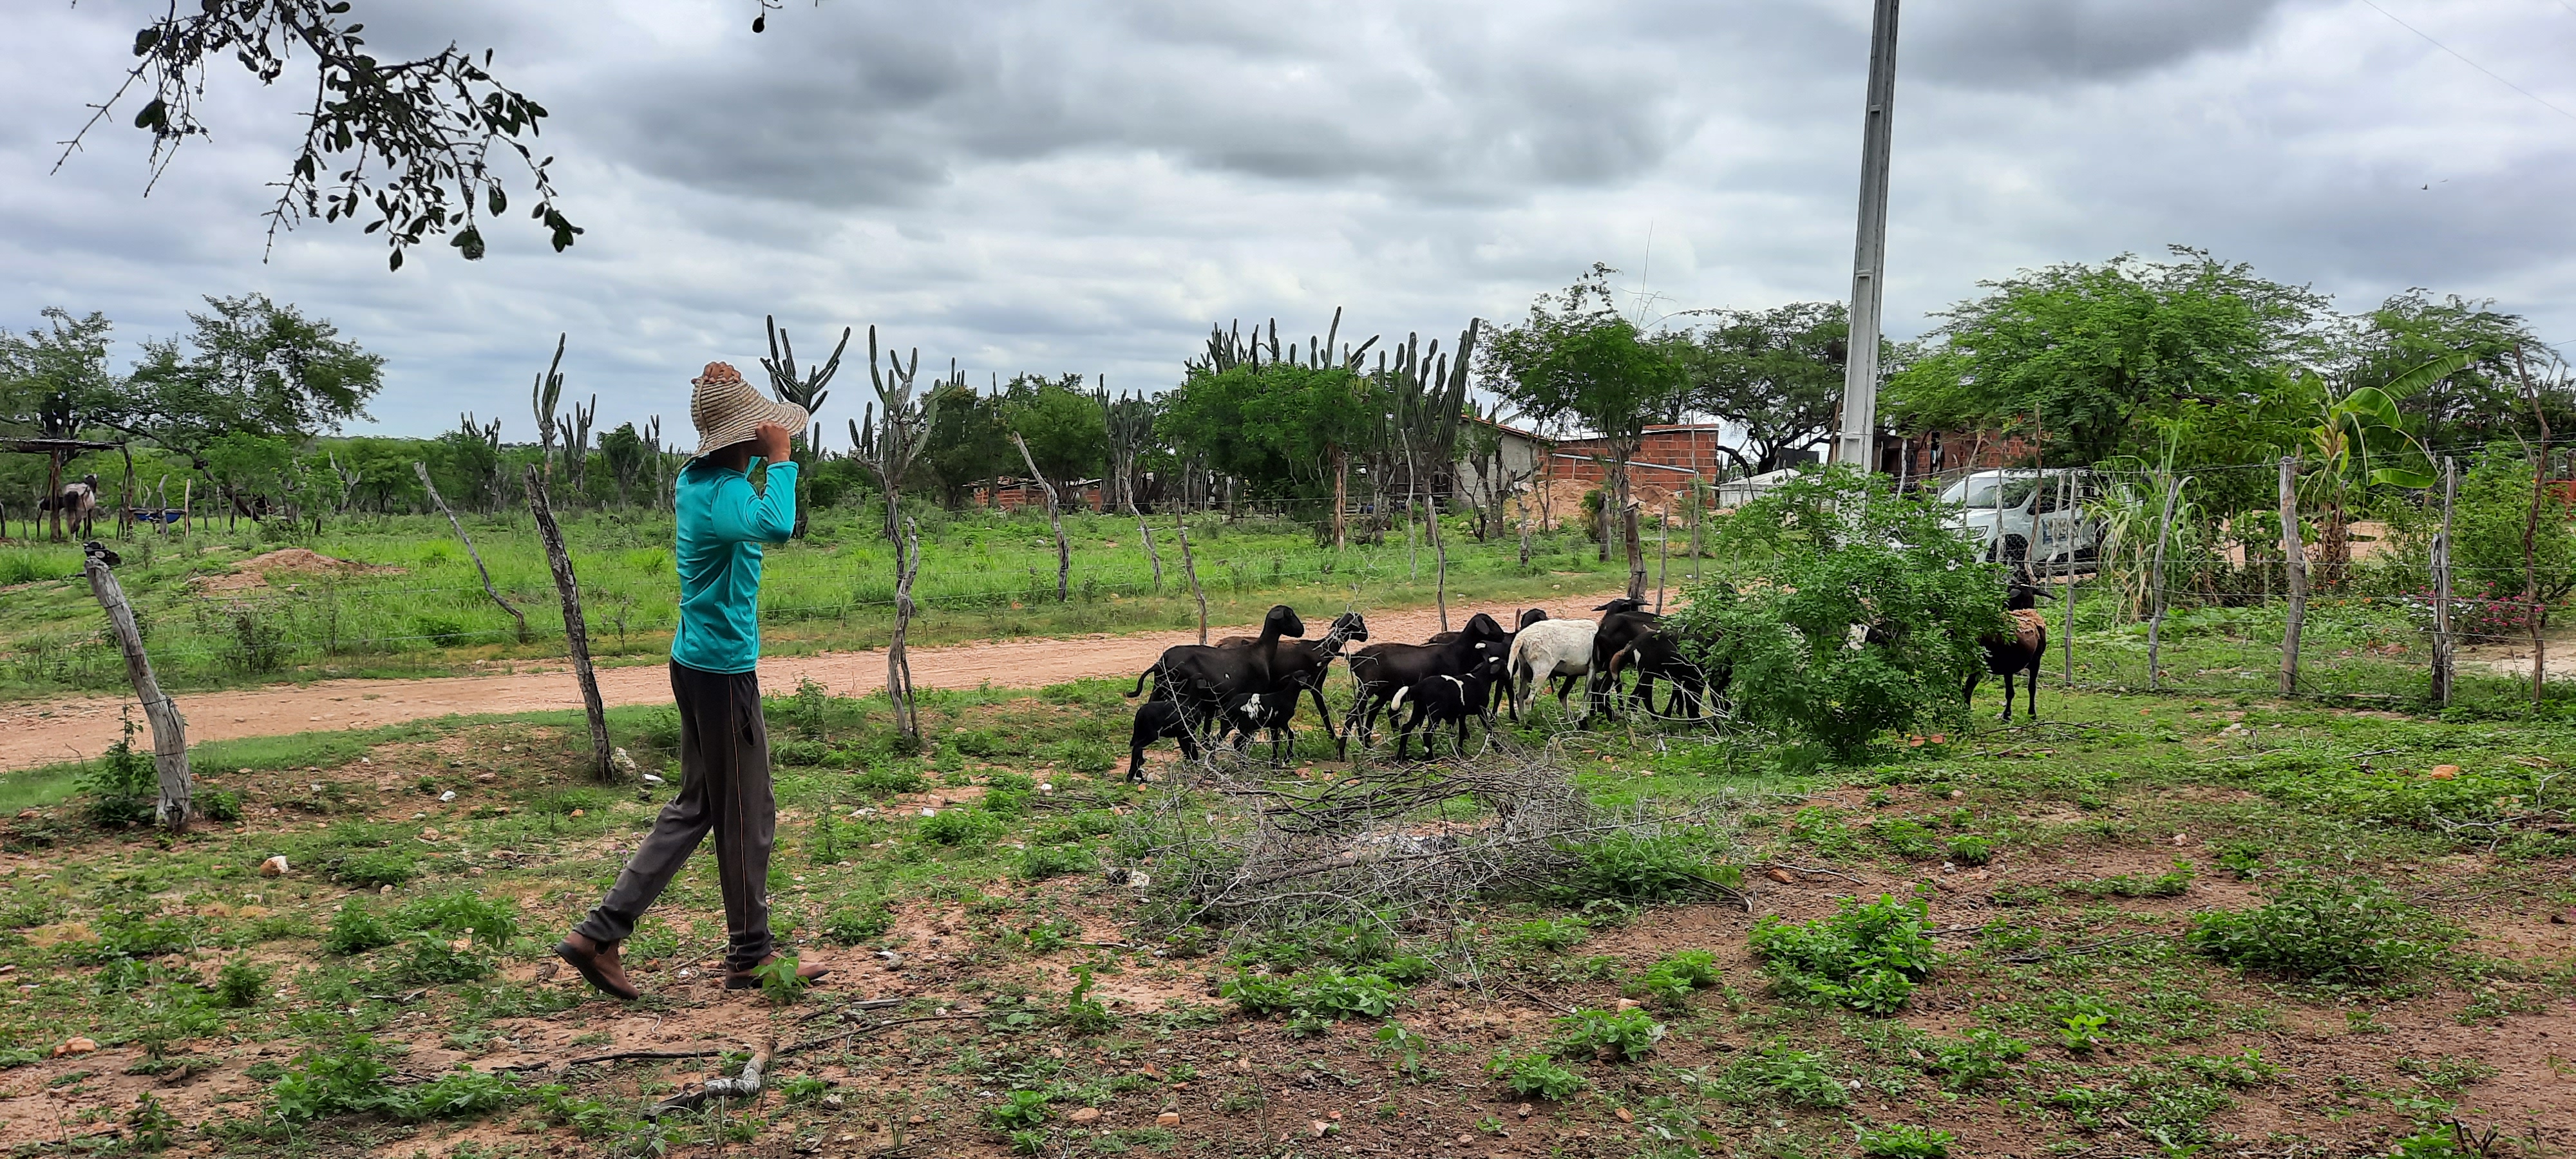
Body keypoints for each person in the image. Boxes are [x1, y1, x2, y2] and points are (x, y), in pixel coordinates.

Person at [556, 362, 827, 999]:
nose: (766, 433)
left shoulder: (698, 480)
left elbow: (743, 498)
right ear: (740, 440)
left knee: (700, 806)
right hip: (722, 674)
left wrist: (720, 393)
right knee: (746, 816)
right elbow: (776, 525)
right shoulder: (727, 495)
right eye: (755, 429)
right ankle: (748, 957)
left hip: (696, 662)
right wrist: (781, 459)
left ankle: (600, 933)